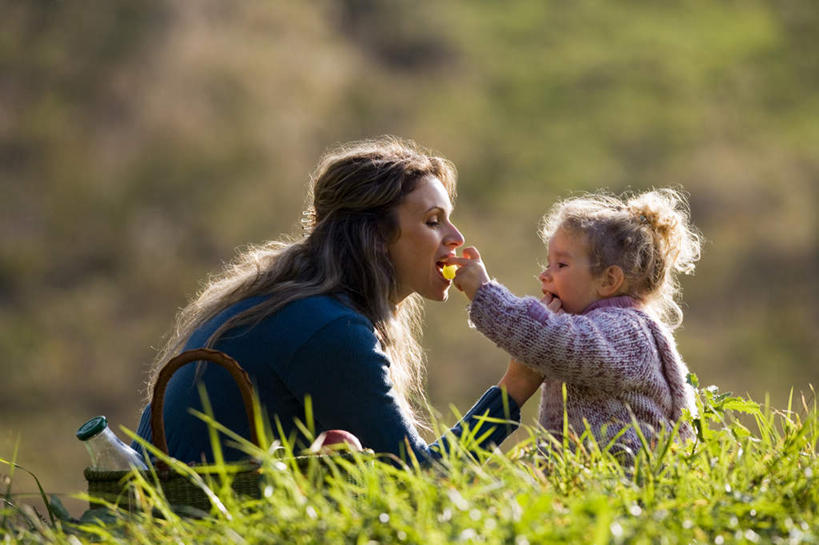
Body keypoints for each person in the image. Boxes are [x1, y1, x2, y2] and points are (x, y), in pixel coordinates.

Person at [133, 136, 541, 465]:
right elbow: (421, 481)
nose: (456, 237)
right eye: (432, 221)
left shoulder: (288, 302)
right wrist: (516, 385)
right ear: (377, 237)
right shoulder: (329, 329)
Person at [446, 188, 702, 459]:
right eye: (548, 263)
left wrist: (485, 293)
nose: (544, 276)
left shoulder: (627, 330)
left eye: (561, 265)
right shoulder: (601, 325)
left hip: (624, 484)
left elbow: (555, 341)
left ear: (608, 281)